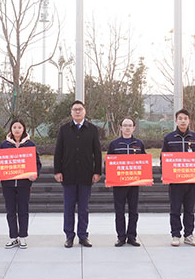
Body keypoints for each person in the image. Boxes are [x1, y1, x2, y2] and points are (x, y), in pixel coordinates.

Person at [54, 100, 102, 248]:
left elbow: (97, 152)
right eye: (75, 109)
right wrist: (57, 171)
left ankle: (83, 236)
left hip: (86, 175)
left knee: (83, 208)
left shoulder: (92, 129)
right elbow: (58, 151)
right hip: (68, 174)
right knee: (68, 208)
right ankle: (69, 236)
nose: (77, 112)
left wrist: (97, 171)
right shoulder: (64, 129)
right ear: (71, 112)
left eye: (80, 109)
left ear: (84, 111)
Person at [0, 119, 42, 249]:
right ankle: (13, 237)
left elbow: (37, 163)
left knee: (23, 210)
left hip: (24, 184)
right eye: (14, 127)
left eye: (19, 127)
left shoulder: (30, 144)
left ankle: (22, 236)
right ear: (11, 129)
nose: (17, 130)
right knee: (10, 211)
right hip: (8, 184)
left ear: (24, 129)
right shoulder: (4, 144)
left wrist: (35, 174)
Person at [161, 109, 195, 247]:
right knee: (175, 210)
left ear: (189, 120)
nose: (183, 121)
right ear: (176, 121)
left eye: (185, 118)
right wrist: (165, 174)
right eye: (180, 118)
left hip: (191, 181)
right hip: (175, 182)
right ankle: (175, 235)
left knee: (189, 210)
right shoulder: (169, 138)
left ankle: (189, 235)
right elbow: (163, 158)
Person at [107, 117, 147, 247]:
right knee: (119, 211)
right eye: (125, 125)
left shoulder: (139, 144)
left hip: (134, 183)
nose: (127, 128)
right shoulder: (114, 144)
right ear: (120, 128)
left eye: (130, 125)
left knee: (133, 211)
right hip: (119, 184)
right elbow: (108, 163)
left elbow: (144, 162)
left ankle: (132, 237)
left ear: (134, 128)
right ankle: (121, 237)